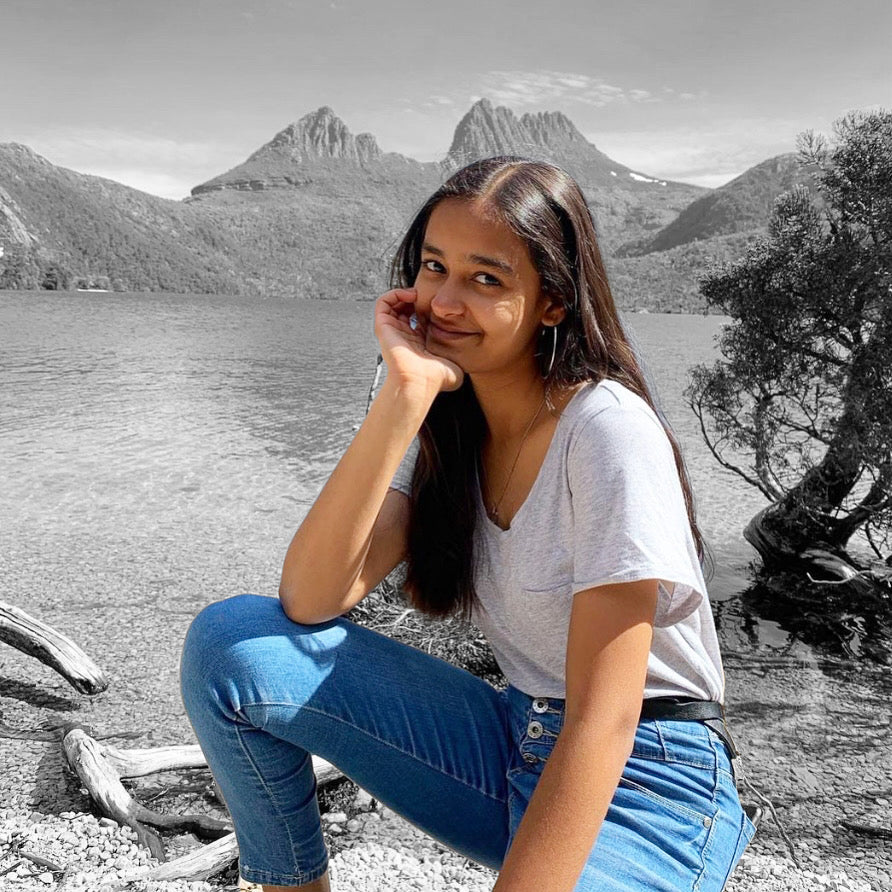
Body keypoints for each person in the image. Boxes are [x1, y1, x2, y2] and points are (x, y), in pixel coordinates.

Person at [180, 157, 757, 891]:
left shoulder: (608, 431)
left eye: (486, 279)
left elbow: (604, 719)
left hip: (650, 779)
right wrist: (405, 393)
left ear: (552, 301)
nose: (445, 301)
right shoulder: (448, 435)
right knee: (230, 643)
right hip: (511, 740)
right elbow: (310, 599)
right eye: (433, 267)